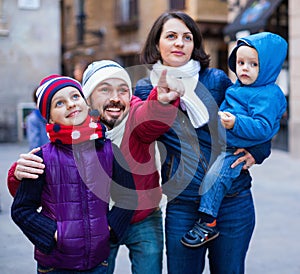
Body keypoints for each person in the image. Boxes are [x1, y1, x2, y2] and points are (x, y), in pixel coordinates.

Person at [7, 60, 185, 274]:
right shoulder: (53, 149)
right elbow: (26, 202)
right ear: (89, 98)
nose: (115, 98)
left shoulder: (126, 125)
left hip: (135, 220)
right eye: (105, 90)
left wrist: (162, 104)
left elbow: (151, 117)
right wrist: (17, 174)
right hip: (69, 247)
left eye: (123, 90)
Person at [134, 11, 272, 274]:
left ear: (195, 45)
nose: (179, 43)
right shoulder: (145, 88)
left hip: (233, 200)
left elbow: (253, 111)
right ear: (157, 44)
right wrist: (159, 101)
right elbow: (142, 134)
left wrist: (258, 151)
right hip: (184, 204)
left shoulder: (216, 80)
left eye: (187, 37)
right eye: (171, 36)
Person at [11, 74, 136, 274]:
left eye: (75, 97)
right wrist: (53, 234)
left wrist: (110, 229)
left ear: (86, 104)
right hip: (55, 265)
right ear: (50, 117)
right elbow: (21, 209)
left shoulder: (109, 150)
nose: (70, 104)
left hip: (98, 262)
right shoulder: (43, 158)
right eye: (59, 103)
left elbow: (128, 194)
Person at [181, 32, 287, 248]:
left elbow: (264, 128)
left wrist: (235, 123)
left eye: (253, 64)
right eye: (240, 62)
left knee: (216, 176)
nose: (244, 68)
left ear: (267, 67)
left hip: (234, 149)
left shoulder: (268, 94)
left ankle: (207, 222)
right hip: (222, 142)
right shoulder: (237, 87)